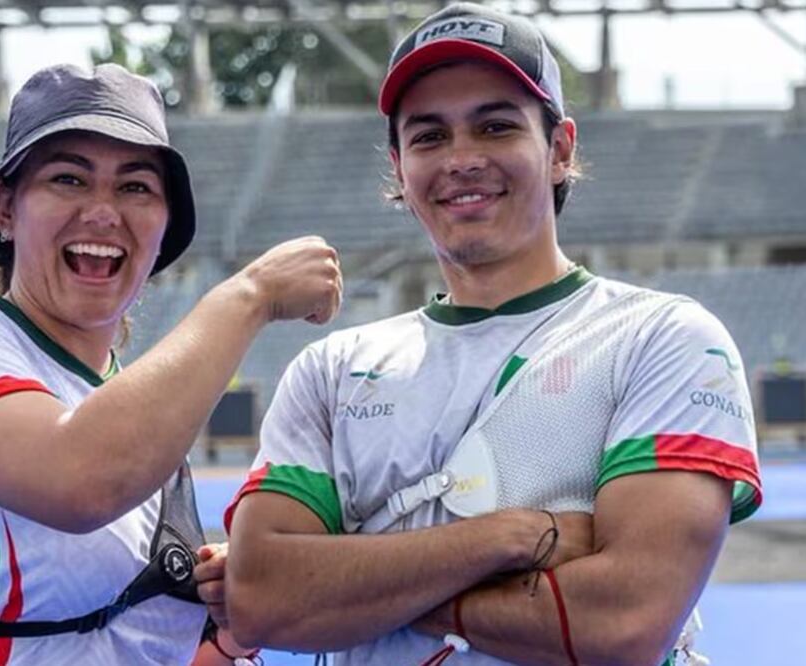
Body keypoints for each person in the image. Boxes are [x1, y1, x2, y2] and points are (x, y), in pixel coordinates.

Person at [224, 4, 763, 665]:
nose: (462, 159)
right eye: (428, 138)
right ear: (398, 169)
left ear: (560, 149)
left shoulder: (662, 339)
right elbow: (261, 601)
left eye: (495, 126)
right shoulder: (331, 368)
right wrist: (510, 539)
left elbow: (625, 621)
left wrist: (355, 585)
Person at [0, 63, 342, 665]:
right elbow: (80, 481)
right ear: (6, 208)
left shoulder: (135, 415)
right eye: (69, 179)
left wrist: (224, 625)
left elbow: (129, 644)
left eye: (136, 187)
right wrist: (248, 296)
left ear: (163, 228)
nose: (104, 211)